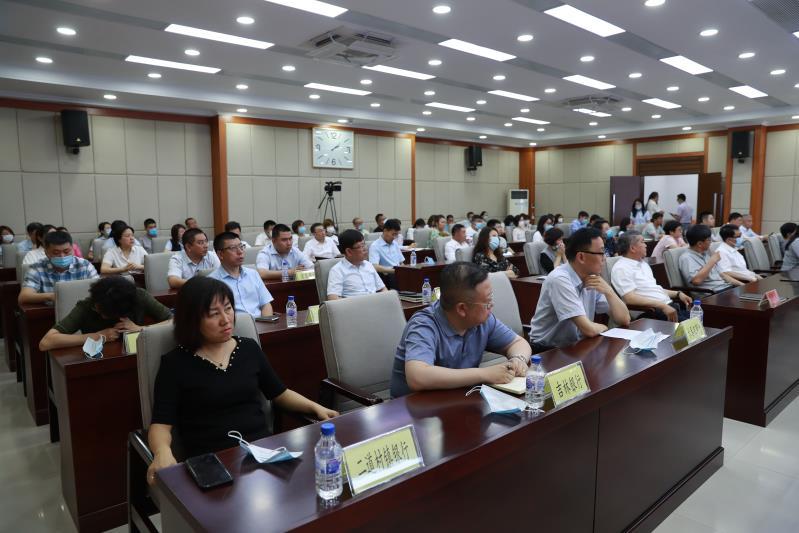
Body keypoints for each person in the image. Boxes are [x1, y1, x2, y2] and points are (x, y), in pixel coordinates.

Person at [145, 277, 337, 481]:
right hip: (211, 463)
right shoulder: (175, 364)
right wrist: (162, 451)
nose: (226, 319)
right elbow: (161, 424)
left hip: (262, 452)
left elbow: (279, 393)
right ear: (192, 320)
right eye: (214, 314)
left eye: (228, 309)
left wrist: (316, 407)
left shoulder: (248, 348)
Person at [390, 262, 532, 398]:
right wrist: (484, 374)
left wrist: (518, 359)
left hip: (460, 399)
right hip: (411, 409)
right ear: (462, 309)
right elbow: (417, 377)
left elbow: (517, 343)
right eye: (487, 303)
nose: (491, 306)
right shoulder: (424, 325)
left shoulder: (482, 321)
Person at [528, 228, 631, 352]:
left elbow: (624, 319)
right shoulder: (559, 279)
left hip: (576, 346)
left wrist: (609, 291)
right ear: (581, 257)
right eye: (601, 253)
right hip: (547, 351)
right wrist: (604, 327)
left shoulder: (592, 278)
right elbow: (589, 329)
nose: (604, 258)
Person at [38, 276, 172, 352]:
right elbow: (46, 342)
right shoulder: (87, 305)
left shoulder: (139, 296)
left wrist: (141, 329)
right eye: (98, 310)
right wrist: (97, 336)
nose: (101, 314)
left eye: (106, 313)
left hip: (136, 355)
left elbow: (175, 320)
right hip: (97, 360)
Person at [611, 231, 692, 322]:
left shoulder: (643, 264)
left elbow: (654, 289)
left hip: (667, 307)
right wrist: (662, 306)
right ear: (632, 248)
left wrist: (678, 294)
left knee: (700, 319)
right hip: (650, 312)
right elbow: (629, 298)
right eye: (642, 242)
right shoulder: (621, 268)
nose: (646, 245)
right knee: (696, 326)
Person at [18, 230, 99, 305]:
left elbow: (100, 290)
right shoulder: (36, 268)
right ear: (46, 252)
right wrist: (51, 296)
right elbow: (24, 297)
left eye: (66, 251)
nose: (62, 256)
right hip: (49, 312)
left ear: (72, 249)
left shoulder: (85, 265)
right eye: (56, 253)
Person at [208, 232, 273, 317]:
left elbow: (266, 304)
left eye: (241, 246)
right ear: (220, 254)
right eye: (233, 248)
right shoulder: (212, 282)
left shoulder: (253, 274)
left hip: (261, 323)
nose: (240, 252)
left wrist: (266, 322)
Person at [327, 229, 387, 300]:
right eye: (360, 246)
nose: (365, 249)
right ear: (348, 251)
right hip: (355, 305)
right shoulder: (337, 270)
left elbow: (382, 289)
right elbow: (333, 298)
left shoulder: (369, 265)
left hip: (376, 303)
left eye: (364, 244)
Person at [679, 225, 741, 291]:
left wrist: (742, 285)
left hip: (725, 288)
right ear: (699, 244)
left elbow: (722, 275)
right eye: (709, 240)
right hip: (712, 293)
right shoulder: (686, 258)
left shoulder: (705, 254)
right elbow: (696, 281)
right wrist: (712, 261)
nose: (711, 242)